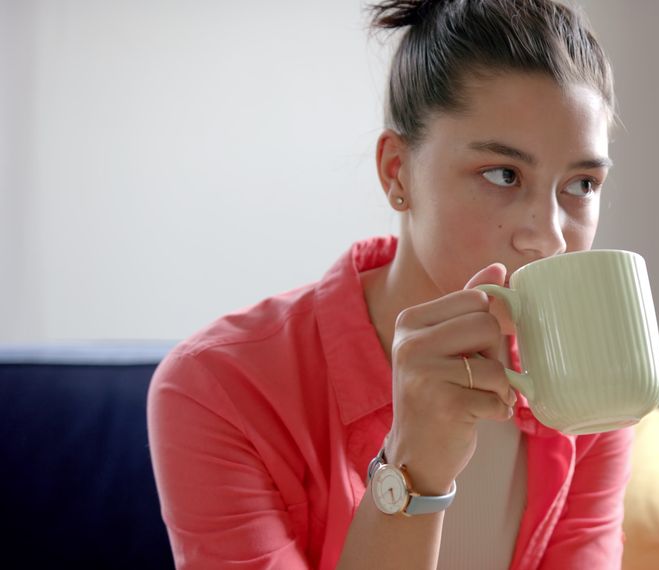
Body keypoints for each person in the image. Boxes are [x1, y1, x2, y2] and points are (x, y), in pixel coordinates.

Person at [147, 0, 631, 568]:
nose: (548, 239)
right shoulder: (218, 389)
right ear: (397, 172)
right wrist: (412, 471)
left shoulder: (588, 386)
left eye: (581, 184)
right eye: (503, 175)